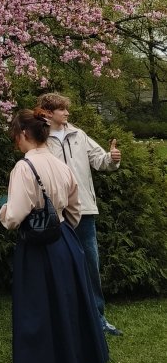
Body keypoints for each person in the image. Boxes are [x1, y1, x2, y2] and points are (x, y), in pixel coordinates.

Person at [0, 110, 108, 363]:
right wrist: (61, 230)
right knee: (77, 320)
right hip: (67, 247)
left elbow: (15, 215)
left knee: (37, 324)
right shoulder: (61, 165)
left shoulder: (24, 167)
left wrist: (2, 210)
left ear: (22, 134)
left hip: (38, 254)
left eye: (13, 136)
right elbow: (75, 208)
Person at [35, 93, 123, 336]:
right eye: (62, 109)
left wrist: (112, 159)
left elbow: (100, 161)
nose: (67, 113)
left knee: (90, 266)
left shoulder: (78, 135)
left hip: (84, 211)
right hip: (56, 213)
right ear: (48, 113)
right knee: (58, 266)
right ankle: (63, 319)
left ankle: (98, 318)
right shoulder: (40, 139)